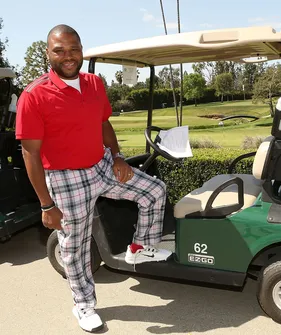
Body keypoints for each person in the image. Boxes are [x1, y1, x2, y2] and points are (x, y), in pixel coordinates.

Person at [15, 24, 172, 333]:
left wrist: (116, 156)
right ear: (48, 53)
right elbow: (30, 154)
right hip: (65, 178)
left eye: (74, 49)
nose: (68, 56)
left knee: (153, 190)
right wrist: (46, 205)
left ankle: (141, 247)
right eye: (59, 50)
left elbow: (104, 123)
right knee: (75, 245)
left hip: (101, 164)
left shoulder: (94, 83)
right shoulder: (33, 96)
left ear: (82, 50)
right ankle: (84, 305)